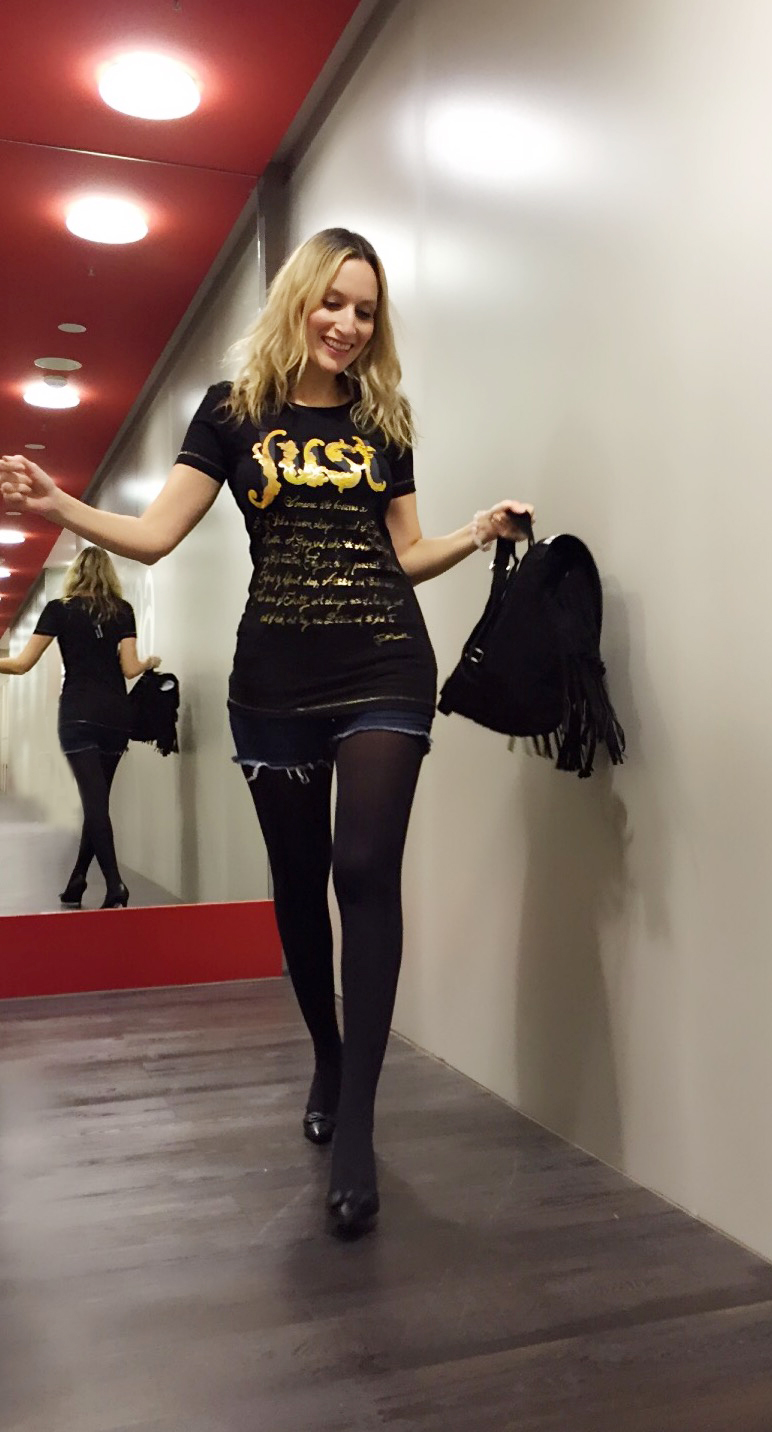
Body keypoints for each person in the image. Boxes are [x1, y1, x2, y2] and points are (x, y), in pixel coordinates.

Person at [1, 226, 532, 1236]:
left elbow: (403, 552)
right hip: (274, 685)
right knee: (299, 883)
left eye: (365, 310)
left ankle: (359, 1121)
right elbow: (155, 537)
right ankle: (327, 1056)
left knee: (364, 870)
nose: (347, 323)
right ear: (298, 299)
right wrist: (62, 503)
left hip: (385, 667)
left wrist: (475, 535)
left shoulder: (384, 419)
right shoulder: (231, 411)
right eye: (333, 301)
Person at [0, 546, 160, 909]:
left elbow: (22, 664)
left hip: (78, 714)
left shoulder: (59, 609)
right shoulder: (122, 610)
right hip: (116, 716)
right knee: (98, 801)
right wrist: (149, 662)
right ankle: (77, 880)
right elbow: (130, 669)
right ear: (109, 575)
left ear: (76, 574)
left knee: (94, 803)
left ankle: (116, 885)